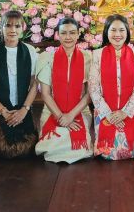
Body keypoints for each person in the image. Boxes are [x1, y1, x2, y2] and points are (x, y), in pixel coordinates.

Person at [0, 10, 38, 158]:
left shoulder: (30, 51)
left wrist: (24, 110)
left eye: (17, 26)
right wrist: (3, 111)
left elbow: (34, 84)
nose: (13, 30)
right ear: (1, 28)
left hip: (22, 107)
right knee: (3, 150)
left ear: (23, 29)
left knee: (29, 148)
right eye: (8, 25)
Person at [35, 18, 94, 163]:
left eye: (72, 33)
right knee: (50, 146)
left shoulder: (88, 58)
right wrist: (61, 117)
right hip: (52, 111)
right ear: (57, 35)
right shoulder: (47, 58)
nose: (68, 37)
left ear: (78, 34)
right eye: (64, 33)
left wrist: (71, 116)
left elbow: (89, 93)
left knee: (81, 149)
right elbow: (45, 94)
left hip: (80, 110)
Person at [89, 14, 134, 160]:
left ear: (127, 32)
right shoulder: (97, 54)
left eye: (121, 30)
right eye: (113, 30)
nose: (117, 34)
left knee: (130, 150)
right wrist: (108, 114)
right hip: (105, 113)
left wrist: (125, 112)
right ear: (106, 32)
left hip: (129, 113)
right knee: (107, 153)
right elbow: (93, 88)